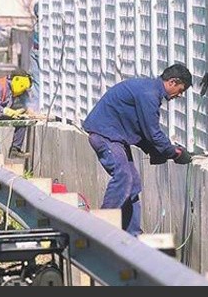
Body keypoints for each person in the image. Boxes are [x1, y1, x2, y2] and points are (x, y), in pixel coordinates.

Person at [82, 63, 194, 237]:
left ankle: (133, 233)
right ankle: (100, 227)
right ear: (172, 82)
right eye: (180, 90)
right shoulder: (149, 95)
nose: (179, 95)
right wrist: (174, 153)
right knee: (124, 177)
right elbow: (153, 132)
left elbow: (139, 128)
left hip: (113, 136)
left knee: (133, 182)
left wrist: (156, 151)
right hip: (106, 136)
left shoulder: (148, 90)